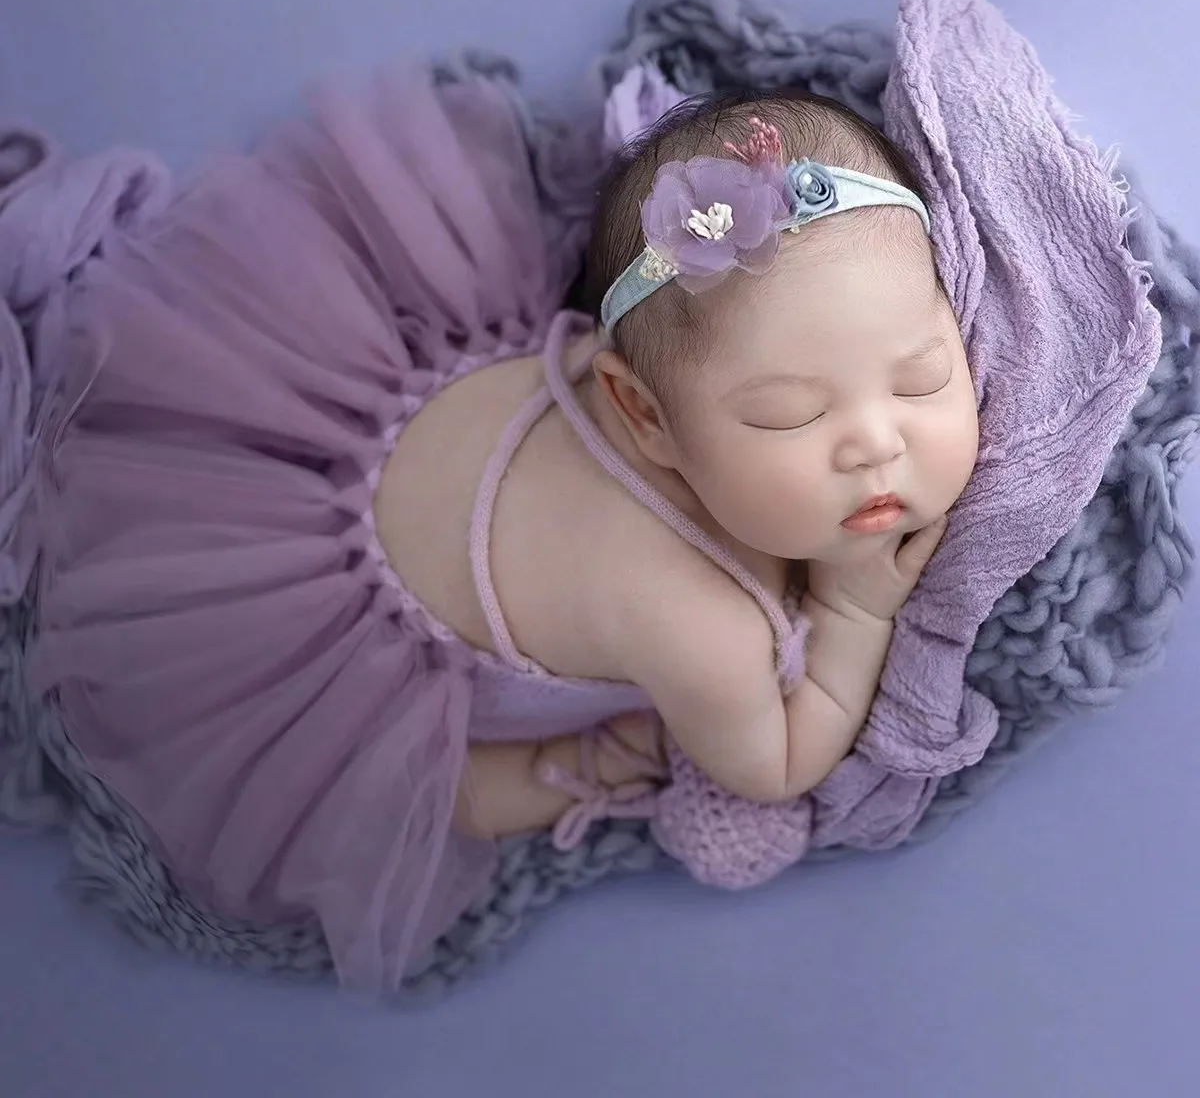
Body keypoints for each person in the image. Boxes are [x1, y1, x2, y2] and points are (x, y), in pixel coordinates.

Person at [30, 75, 978, 991]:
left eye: (922, 374)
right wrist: (853, 608)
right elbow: (774, 767)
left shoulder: (695, 379)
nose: (873, 443)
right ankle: (574, 767)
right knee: (436, 796)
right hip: (343, 650)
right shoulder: (700, 621)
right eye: (785, 417)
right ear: (643, 416)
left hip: (389, 414)